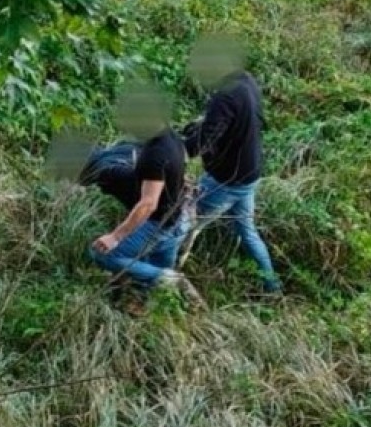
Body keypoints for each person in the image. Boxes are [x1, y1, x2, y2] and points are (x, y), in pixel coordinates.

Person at [180, 34, 282, 294]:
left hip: (228, 180)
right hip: (250, 175)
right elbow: (224, 126)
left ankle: (164, 284)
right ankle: (272, 287)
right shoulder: (246, 81)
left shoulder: (224, 97)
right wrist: (198, 128)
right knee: (247, 231)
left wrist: (178, 149)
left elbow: (204, 140)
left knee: (182, 226)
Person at [83, 84, 201, 305]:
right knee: (155, 287)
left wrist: (115, 236)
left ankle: (172, 280)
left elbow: (148, 204)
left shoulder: (154, 154)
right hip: (177, 219)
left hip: (157, 225)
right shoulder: (171, 137)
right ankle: (168, 308)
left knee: (102, 253)